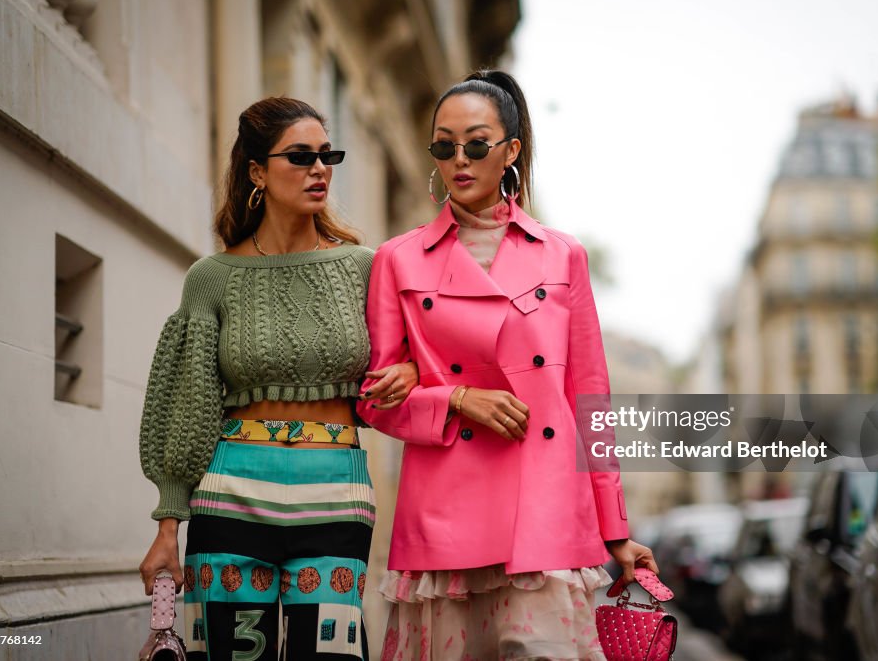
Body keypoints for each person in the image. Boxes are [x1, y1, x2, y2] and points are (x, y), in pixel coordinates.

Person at [357, 71, 659, 661]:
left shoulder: (561, 253)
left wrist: (615, 530)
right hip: (446, 514)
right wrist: (457, 399)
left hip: (544, 509)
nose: (459, 160)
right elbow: (373, 399)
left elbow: (590, 402)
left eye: (477, 144)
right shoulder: (397, 259)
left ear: (511, 151)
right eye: (444, 146)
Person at [137, 96, 418, 661]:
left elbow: (412, 355)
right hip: (230, 496)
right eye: (300, 157)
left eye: (325, 155)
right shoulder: (213, 278)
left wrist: (410, 367)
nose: (319, 169)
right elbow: (186, 403)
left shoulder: (364, 267)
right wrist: (168, 524)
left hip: (337, 494)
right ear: (257, 171)